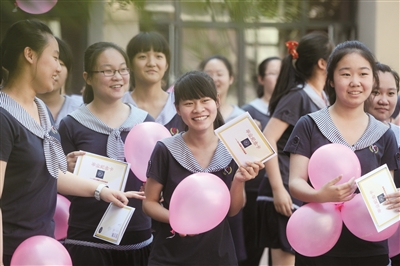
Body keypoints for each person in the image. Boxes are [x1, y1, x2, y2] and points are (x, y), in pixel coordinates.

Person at [0, 19, 130, 266]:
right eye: (55, 57)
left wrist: (101, 191)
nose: (59, 67)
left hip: (43, 248)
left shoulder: (42, 111)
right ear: (29, 55)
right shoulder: (3, 116)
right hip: (11, 251)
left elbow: (52, 173)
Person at [286, 40, 400, 265]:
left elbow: (388, 192)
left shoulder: (384, 135)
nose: (355, 82)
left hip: (370, 247)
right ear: (330, 79)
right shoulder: (309, 125)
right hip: (318, 242)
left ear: (372, 80)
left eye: (363, 74)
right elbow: (295, 182)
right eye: (346, 74)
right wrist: (321, 196)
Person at [142, 70, 264, 265]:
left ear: (216, 102)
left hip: (218, 256)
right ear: (177, 108)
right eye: (189, 103)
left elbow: (232, 211)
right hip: (170, 256)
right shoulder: (166, 149)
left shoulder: (232, 147)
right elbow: (149, 203)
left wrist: (239, 180)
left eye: (204, 100)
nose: (198, 109)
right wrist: (177, 221)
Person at [58, 42, 154, 265]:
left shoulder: (145, 123)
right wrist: (64, 164)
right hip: (87, 239)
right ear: (88, 77)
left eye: (122, 69)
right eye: (108, 71)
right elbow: (54, 176)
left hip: (137, 234)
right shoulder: (71, 125)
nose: (117, 77)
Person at [258, 31, 334, 266]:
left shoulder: (323, 98)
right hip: (282, 194)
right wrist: (278, 189)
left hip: (303, 194)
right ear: (323, 63)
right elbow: (268, 139)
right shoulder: (298, 96)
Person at [199, 54, 247, 262]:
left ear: (231, 78)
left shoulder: (243, 118)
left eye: (220, 74)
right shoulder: (197, 116)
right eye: (209, 74)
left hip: (232, 191)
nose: (215, 78)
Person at [240, 56, 281, 266]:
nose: (279, 77)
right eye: (273, 73)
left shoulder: (290, 109)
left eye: (282, 72)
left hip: (283, 190)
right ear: (261, 78)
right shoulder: (249, 111)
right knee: (252, 250)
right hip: (255, 188)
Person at [364, 62, 400, 266]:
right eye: (376, 92)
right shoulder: (345, 138)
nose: (384, 100)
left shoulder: (398, 137)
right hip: (357, 242)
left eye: (391, 93)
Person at [122, 31, 184, 135]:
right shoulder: (118, 104)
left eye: (158, 56)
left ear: (166, 64)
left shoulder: (180, 104)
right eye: (142, 57)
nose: (151, 63)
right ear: (130, 64)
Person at [37, 37, 82, 129]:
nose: (56, 69)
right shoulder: (20, 107)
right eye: (50, 63)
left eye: (61, 64)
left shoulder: (81, 107)